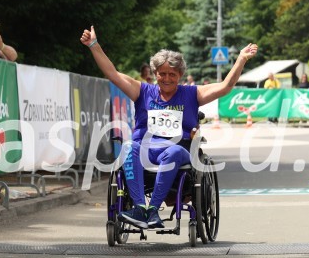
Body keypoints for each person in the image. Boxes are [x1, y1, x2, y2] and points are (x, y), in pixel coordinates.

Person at [80, 25, 257, 229]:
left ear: (180, 75)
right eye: (162, 74)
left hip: (177, 150)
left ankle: (153, 211)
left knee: (172, 151)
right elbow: (112, 73)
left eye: (172, 74)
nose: (166, 79)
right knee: (128, 147)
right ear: (155, 73)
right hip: (144, 148)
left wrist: (241, 59)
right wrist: (93, 45)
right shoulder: (143, 91)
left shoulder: (192, 94)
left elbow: (225, 86)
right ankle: (139, 208)